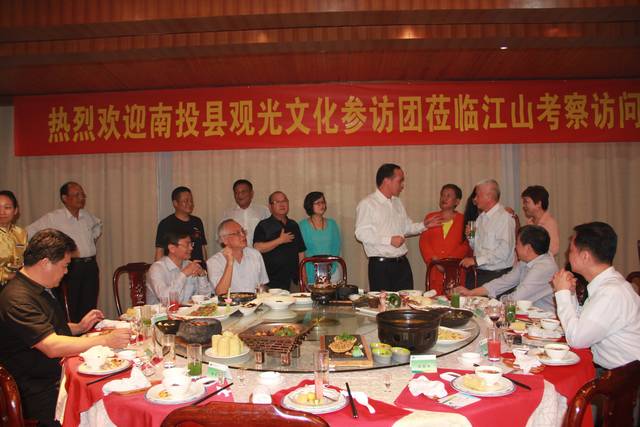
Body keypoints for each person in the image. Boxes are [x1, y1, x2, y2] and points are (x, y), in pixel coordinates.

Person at [0, 229, 130, 426]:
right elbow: (51, 346)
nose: (66, 272)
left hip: (57, 376)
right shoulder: (17, 298)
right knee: (110, 403)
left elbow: (45, 327)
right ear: (45, 263)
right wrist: (105, 340)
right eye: (64, 266)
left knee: (115, 385)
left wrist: (79, 327)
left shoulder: (39, 287)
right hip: (37, 392)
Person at [551, 222, 640, 370]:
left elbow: (577, 340)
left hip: (622, 378)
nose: (567, 254)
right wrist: (571, 293)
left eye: (571, 250)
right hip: (613, 371)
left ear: (585, 256)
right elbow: (583, 323)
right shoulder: (607, 285)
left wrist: (562, 292)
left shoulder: (611, 292)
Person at [355, 163, 442, 292]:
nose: (402, 185)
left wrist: (424, 225)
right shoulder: (368, 204)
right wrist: (389, 240)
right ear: (387, 181)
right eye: (400, 181)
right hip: (381, 266)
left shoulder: (397, 202)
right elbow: (361, 234)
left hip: (402, 264)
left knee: (407, 301)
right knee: (384, 303)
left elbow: (406, 228)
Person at [27, 182, 102, 322]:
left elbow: (97, 228)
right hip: (70, 267)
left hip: (90, 266)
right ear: (65, 198)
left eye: (82, 194)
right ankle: (71, 333)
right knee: (70, 306)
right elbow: (29, 232)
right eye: (77, 195)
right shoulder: (54, 217)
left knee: (89, 305)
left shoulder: (87, 216)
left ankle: (88, 333)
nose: (81, 198)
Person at [456, 225, 557, 312]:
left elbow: (516, 299)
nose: (515, 247)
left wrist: (494, 303)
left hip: (545, 319)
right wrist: (471, 292)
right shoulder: (527, 261)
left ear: (528, 248)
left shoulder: (543, 268)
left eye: (517, 244)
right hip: (530, 314)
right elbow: (504, 281)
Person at [460, 179, 515, 287]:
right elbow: (477, 248)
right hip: (480, 273)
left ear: (489, 196)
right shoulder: (481, 218)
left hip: (497, 276)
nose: (475, 199)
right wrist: (471, 237)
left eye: (478, 195)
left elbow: (504, 252)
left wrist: (476, 261)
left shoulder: (504, 218)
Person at [419, 184, 470, 295]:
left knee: (454, 301)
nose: (444, 198)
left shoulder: (464, 220)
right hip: (434, 269)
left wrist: (447, 264)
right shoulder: (431, 217)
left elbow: (466, 245)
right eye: (442, 195)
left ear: (457, 201)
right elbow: (424, 242)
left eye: (448, 196)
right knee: (433, 302)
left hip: (455, 270)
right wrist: (434, 260)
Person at [253, 191, 306, 291]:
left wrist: (304, 279)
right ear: (270, 206)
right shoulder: (263, 225)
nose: (282, 204)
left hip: (293, 281)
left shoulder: (293, 224)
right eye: (277, 202)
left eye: (284, 201)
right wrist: (279, 240)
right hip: (271, 282)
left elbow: (301, 252)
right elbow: (257, 247)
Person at [146, 231, 212, 304]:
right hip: (161, 311)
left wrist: (202, 275)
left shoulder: (189, 265)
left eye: (191, 244)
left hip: (187, 310)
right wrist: (183, 274)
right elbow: (166, 300)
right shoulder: (157, 269)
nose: (191, 248)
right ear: (172, 248)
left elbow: (205, 298)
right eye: (187, 245)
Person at [207, 219, 269, 296]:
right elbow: (221, 293)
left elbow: (262, 284)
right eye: (237, 233)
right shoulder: (214, 262)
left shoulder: (255, 254)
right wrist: (230, 263)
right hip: (229, 303)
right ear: (224, 240)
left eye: (243, 231)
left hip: (255, 302)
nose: (243, 235)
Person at [155, 186, 207, 263]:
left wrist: (205, 265)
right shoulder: (165, 224)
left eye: (191, 200)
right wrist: (159, 268)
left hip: (197, 267)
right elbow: (160, 251)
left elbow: (202, 247)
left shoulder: (197, 221)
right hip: (176, 268)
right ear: (175, 203)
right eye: (186, 201)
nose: (190, 203)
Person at [299, 191, 341, 284]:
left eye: (323, 202)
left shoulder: (332, 224)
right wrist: (303, 274)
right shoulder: (302, 225)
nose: (321, 205)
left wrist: (329, 266)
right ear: (310, 205)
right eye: (317, 203)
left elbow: (336, 247)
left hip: (332, 270)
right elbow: (301, 253)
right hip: (310, 271)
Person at [220, 179, 270, 247]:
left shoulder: (263, 211)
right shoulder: (227, 214)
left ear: (251, 193)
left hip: (260, 251)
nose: (240, 195)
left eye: (243, 192)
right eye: (236, 192)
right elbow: (221, 238)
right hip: (236, 252)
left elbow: (270, 233)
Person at [521, 185, 560, 257]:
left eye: (526, 202)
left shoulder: (549, 223)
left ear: (538, 204)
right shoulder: (529, 222)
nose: (524, 206)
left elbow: (554, 250)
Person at [0, 190, 27, 287]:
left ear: (15, 210)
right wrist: (9, 276)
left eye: (7, 207)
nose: (2, 212)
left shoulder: (21, 233)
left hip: (17, 282)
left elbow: (25, 259)